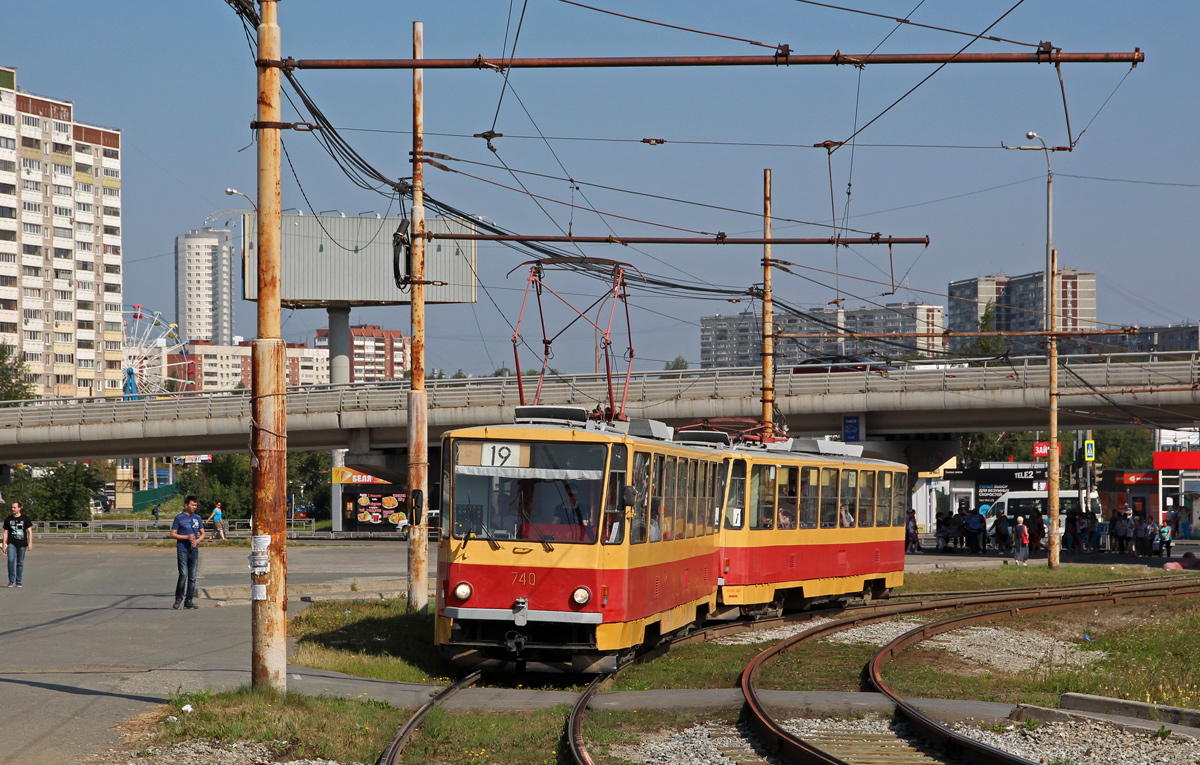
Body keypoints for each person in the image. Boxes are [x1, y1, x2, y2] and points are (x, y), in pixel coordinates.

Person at [170, 495, 206, 609]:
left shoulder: (197, 518)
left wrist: (197, 541)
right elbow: (173, 534)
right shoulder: (179, 518)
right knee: (183, 575)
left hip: (194, 551)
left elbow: (203, 534)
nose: (194, 507)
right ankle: (178, 598)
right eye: (192, 505)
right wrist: (186, 537)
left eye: (196, 505)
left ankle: (189, 600)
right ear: (186, 505)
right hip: (183, 550)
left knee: (193, 576)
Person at [2, 500, 33, 587]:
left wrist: (30, 543)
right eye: (12, 507)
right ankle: (11, 580)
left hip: (22, 543)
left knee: (20, 563)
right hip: (12, 543)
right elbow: (5, 532)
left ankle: (18, 581)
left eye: (14, 507)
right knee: (11, 560)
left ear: (19, 508)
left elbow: (30, 531)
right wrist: (4, 544)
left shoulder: (25, 519)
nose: (13, 509)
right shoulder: (8, 519)